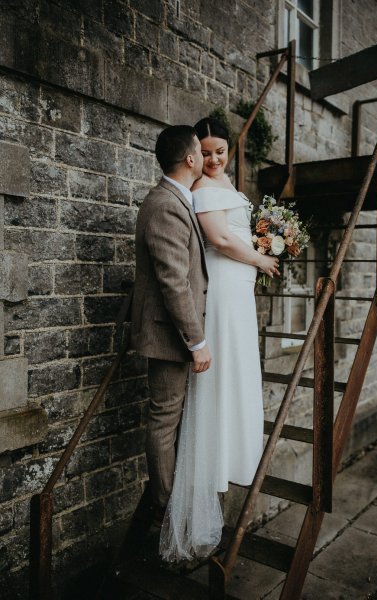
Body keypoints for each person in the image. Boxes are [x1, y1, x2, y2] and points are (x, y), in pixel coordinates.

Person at [159, 118, 280, 561]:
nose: (213, 159)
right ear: (195, 153)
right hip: (226, 290)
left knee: (240, 366)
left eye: (220, 151)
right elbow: (219, 238)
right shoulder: (205, 191)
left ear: (231, 150)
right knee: (222, 368)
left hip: (238, 290)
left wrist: (269, 243)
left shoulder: (225, 183)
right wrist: (262, 259)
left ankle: (234, 452)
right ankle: (209, 467)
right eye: (205, 152)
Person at [131, 125, 212, 524]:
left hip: (172, 333)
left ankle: (170, 496)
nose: (203, 154)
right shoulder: (165, 203)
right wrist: (197, 342)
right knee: (164, 421)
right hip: (168, 336)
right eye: (200, 148)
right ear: (191, 159)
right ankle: (166, 509)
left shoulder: (178, 199)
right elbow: (173, 281)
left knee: (171, 418)